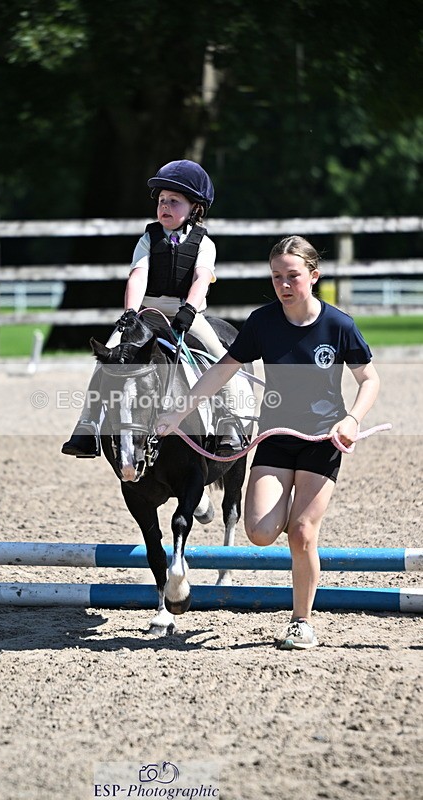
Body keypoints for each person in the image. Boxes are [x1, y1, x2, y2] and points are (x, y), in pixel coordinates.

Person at [156, 235, 380, 650]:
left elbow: (369, 379)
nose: (284, 284)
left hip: (321, 441)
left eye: (293, 276)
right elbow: (222, 370)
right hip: (275, 437)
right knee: (259, 532)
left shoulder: (339, 325)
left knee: (301, 531)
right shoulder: (262, 322)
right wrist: (179, 412)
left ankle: (301, 621)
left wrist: (352, 419)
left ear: (313, 276)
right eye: (277, 277)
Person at [62, 159, 244, 458]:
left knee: (220, 357)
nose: (165, 207)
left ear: (195, 208)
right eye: (161, 201)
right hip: (147, 313)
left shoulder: (204, 244)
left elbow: (200, 279)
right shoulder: (148, 239)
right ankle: (88, 425)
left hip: (188, 313)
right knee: (107, 356)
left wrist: (188, 309)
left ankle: (229, 421)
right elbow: (138, 275)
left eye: (174, 201)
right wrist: (131, 312)